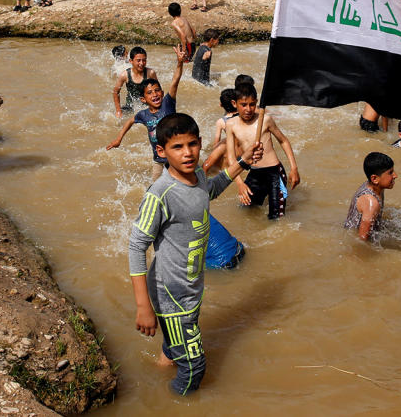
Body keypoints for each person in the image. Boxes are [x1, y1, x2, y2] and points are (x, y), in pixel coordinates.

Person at [128, 110, 262, 396]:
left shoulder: (198, 175)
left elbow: (210, 190)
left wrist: (242, 162)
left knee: (175, 345)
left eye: (192, 144)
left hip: (190, 285)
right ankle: (177, 403)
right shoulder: (160, 194)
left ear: (201, 143)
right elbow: (136, 245)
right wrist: (143, 306)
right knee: (194, 365)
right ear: (161, 151)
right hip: (171, 294)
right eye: (177, 147)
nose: (187, 153)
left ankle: (154, 384)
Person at [108, 47, 186, 180]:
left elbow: (175, 81)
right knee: (154, 186)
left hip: (175, 156)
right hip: (158, 160)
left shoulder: (167, 103)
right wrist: (118, 139)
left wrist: (180, 62)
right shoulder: (144, 114)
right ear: (143, 99)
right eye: (150, 93)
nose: (154, 94)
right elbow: (130, 121)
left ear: (162, 93)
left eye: (157, 91)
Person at [225, 82, 300, 219]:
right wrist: (240, 184)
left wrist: (294, 168)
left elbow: (283, 141)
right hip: (255, 173)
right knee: (246, 211)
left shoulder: (265, 120)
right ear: (234, 104)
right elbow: (231, 159)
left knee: (276, 218)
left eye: (252, 104)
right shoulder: (231, 125)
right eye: (244, 105)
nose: (248, 109)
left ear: (257, 103)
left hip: (275, 173)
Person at [344, 152, 396, 243]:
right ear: (374, 179)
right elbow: (363, 239)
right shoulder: (371, 203)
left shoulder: (375, 186)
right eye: (390, 173)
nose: (395, 175)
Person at [113, 46, 158, 118]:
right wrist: (118, 111)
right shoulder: (125, 75)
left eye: (144, 60)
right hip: (130, 106)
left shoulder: (150, 73)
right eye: (138, 60)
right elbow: (116, 91)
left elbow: (158, 90)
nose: (142, 63)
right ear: (131, 61)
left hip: (147, 105)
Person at [202, 89, 240, 172]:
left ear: (221, 105)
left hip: (228, 150)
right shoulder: (243, 116)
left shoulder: (221, 122)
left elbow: (216, 144)